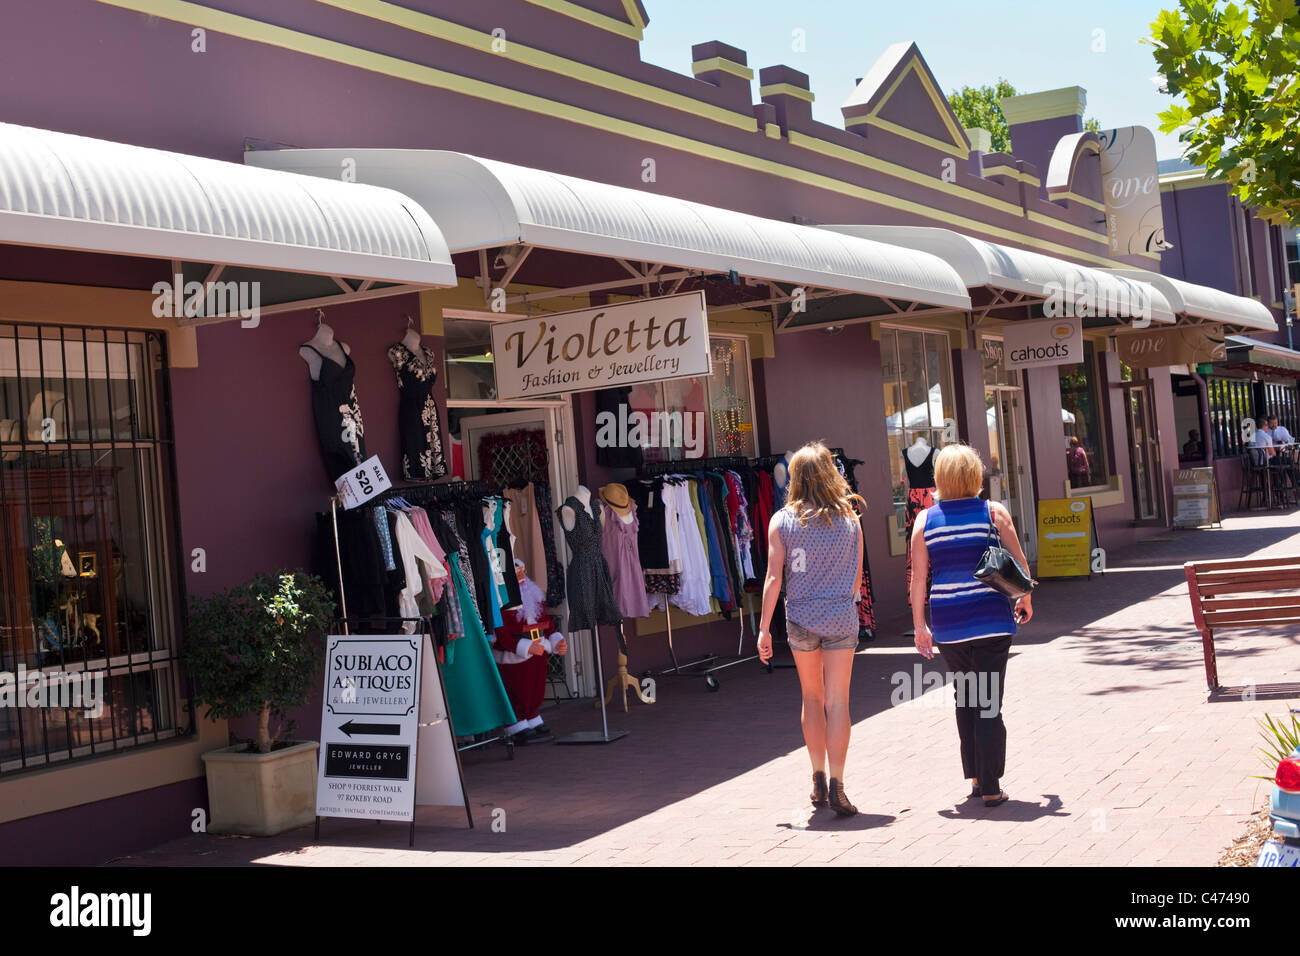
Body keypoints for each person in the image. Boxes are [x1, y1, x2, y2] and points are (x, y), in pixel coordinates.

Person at [910, 444, 1032, 808]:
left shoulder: (925, 520)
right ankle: (992, 785)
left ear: (940, 479)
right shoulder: (993, 513)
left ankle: (978, 777)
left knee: (967, 697)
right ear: (975, 476)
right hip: (992, 619)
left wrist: (920, 625)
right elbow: (1019, 562)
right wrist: (1025, 598)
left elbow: (918, 579)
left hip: (949, 623)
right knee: (988, 701)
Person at [756, 441, 864, 816]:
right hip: (840, 618)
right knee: (839, 702)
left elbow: (774, 577)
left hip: (800, 618)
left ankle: (816, 777)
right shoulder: (851, 520)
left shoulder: (782, 522)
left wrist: (764, 629)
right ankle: (837, 784)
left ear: (795, 478)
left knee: (812, 700)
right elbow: (855, 582)